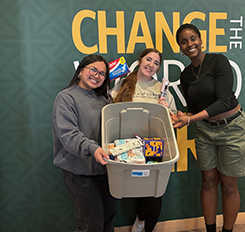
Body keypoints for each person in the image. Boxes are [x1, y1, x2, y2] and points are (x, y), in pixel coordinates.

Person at [173, 24, 245, 232]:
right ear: (180, 48)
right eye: (184, 41)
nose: (189, 44)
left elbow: (223, 102)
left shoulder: (218, 61)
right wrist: (183, 116)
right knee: (208, 181)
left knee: (228, 184)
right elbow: (193, 109)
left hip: (232, 127)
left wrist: (190, 120)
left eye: (192, 38)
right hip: (205, 131)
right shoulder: (186, 75)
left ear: (200, 40)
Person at [109, 48, 177, 232]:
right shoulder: (123, 83)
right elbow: (110, 112)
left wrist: (167, 111)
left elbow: (174, 122)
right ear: (139, 61)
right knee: (120, 189)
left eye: (156, 63)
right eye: (149, 59)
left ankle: (142, 224)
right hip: (125, 147)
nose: (152, 65)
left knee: (154, 193)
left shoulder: (161, 90)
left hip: (152, 148)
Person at [52, 54, 117, 232]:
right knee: (91, 224)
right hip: (80, 174)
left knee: (108, 218)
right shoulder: (66, 97)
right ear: (80, 71)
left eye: (102, 74)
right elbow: (69, 135)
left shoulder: (104, 100)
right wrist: (93, 148)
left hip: (105, 170)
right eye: (93, 70)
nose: (97, 76)